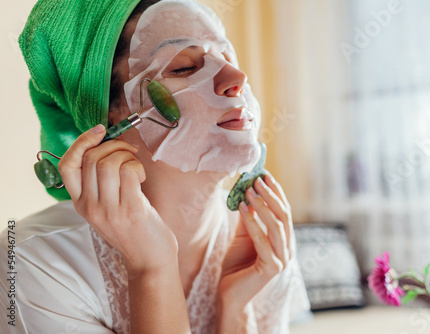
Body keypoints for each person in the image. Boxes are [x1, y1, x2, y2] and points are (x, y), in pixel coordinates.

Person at [0, 0, 310, 333]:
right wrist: (152, 269)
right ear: (109, 116)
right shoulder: (32, 260)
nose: (236, 78)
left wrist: (238, 310)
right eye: (183, 68)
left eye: (229, 58)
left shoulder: (260, 239)